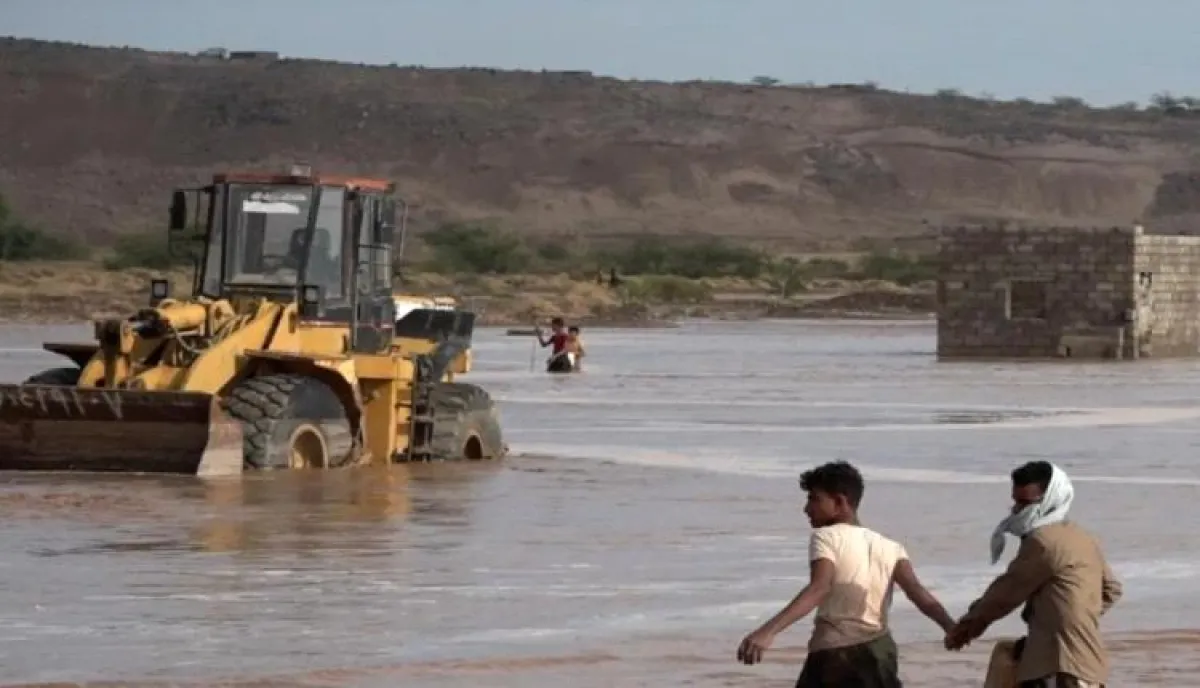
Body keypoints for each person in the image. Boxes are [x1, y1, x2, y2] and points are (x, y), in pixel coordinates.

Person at [737, 461, 956, 687]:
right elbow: (919, 594)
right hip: (880, 651)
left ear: (840, 502)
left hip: (836, 654)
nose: (806, 508)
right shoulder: (891, 546)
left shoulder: (826, 537)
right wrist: (951, 627)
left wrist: (767, 631)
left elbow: (820, 588)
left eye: (814, 499)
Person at [945, 461, 1123, 688]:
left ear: (1050, 500)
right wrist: (1074, 621)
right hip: (1089, 664)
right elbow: (1111, 590)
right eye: (1015, 501)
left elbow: (1004, 595)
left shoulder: (1043, 542)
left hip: (1058, 667)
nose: (1017, 510)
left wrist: (964, 631)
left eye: (1025, 503)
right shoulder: (1082, 537)